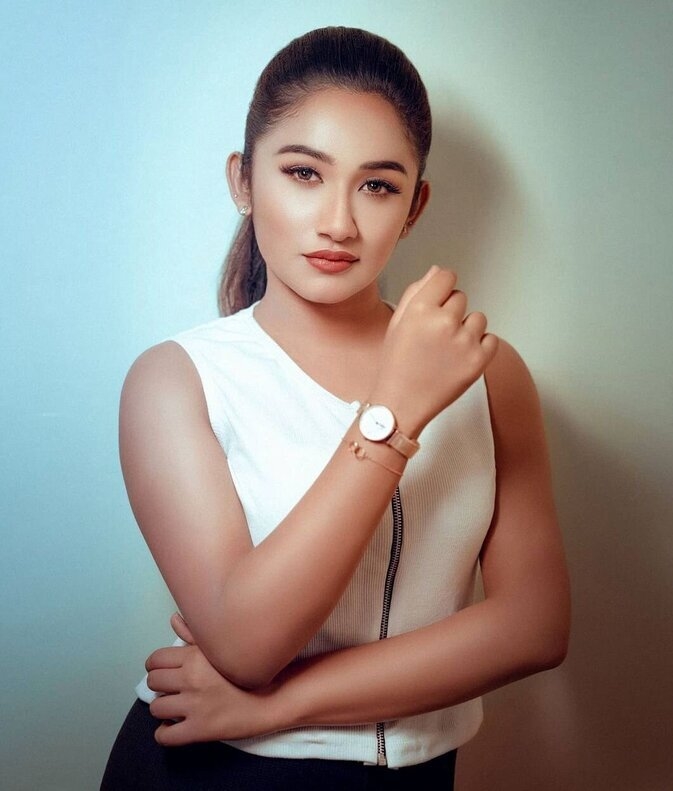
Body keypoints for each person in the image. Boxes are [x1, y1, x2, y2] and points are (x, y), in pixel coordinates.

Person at [101, 26, 570, 790]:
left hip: (411, 772)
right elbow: (246, 643)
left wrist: (280, 703)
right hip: (217, 770)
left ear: (414, 206)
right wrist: (393, 411)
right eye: (302, 173)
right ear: (243, 180)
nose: (339, 222)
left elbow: (536, 626)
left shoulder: (491, 374)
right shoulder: (177, 379)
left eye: (377, 185)